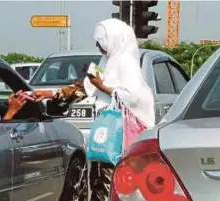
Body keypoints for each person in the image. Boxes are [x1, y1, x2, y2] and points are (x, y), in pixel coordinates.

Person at [86, 19, 155, 200]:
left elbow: (135, 96)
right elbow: (86, 86)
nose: (97, 45)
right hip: (106, 133)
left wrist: (101, 86)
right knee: (99, 180)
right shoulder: (107, 60)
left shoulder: (126, 62)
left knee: (116, 180)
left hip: (119, 135)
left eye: (101, 40)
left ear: (115, 39)